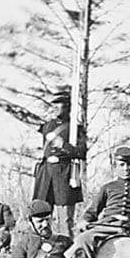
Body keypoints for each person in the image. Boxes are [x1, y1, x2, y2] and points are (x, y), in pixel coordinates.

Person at [32, 94, 84, 235]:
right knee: (41, 213)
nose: (53, 107)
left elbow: (82, 152)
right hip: (46, 175)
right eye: (52, 104)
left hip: (64, 174)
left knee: (66, 219)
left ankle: (67, 249)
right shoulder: (47, 126)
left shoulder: (75, 128)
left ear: (67, 106)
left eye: (58, 104)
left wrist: (64, 146)